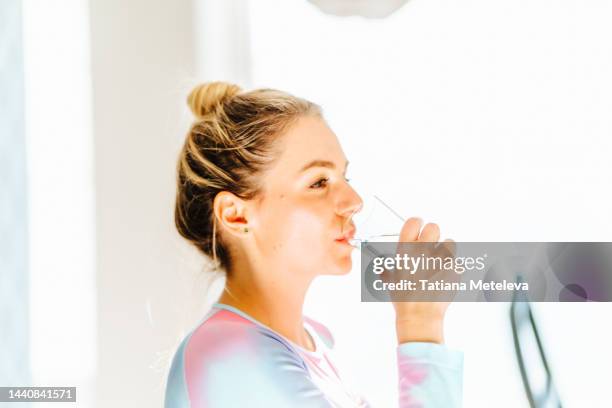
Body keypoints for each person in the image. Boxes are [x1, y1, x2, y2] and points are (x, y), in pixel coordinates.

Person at [164, 81, 463, 407]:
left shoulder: (314, 342)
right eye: (319, 182)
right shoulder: (228, 355)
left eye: (344, 178)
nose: (354, 201)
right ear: (236, 215)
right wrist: (421, 328)